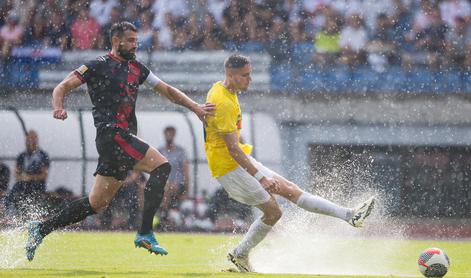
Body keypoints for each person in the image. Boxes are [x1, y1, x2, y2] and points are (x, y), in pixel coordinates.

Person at [24, 21, 215, 261]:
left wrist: (195, 107)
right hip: (112, 134)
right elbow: (61, 87)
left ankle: (40, 229)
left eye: (137, 40)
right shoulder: (97, 66)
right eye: (131, 41)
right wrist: (58, 108)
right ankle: (145, 232)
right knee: (162, 166)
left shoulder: (137, 68)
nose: (136, 45)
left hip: (118, 139)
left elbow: (167, 90)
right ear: (116, 41)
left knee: (96, 203)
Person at [204, 54, 375, 272]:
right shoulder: (223, 101)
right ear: (231, 75)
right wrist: (261, 178)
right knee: (274, 213)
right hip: (229, 168)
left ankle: (350, 215)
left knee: (291, 190)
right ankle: (241, 254)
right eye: (245, 75)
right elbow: (233, 149)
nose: (250, 79)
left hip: (236, 161)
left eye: (250, 74)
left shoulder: (222, 90)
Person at [8, 130, 50, 220]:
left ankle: (36, 214)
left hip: (37, 183)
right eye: (28, 138)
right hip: (23, 183)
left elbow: (45, 175)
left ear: (36, 139)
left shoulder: (42, 155)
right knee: (15, 189)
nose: (30, 141)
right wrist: (23, 177)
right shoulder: (22, 156)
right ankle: (11, 214)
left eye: (33, 138)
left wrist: (31, 177)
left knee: (34, 189)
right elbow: (16, 174)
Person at [158, 126, 189, 229]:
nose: (169, 136)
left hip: (177, 184)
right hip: (163, 183)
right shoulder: (160, 151)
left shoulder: (180, 152)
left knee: (169, 188)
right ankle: (142, 217)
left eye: (171, 134)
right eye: (167, 133)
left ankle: (163, 216)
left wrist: (186, 189)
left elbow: (186, 171)